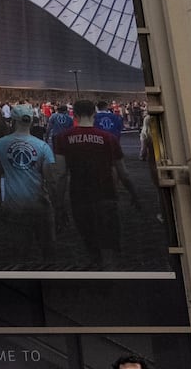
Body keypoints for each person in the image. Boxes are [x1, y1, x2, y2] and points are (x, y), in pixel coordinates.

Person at [52, 99, 140, 269]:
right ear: (94, 114)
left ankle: (97, 268)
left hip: (79, 197)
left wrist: (59, 205)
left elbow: (60, 175)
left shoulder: (63, 139)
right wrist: (133, 193)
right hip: (106, 194)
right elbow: (123, 173)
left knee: (89, 242)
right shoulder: (108, 138)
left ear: (75, 115)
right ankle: (111, 276)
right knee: (110, 242)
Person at [0, 104, 57, 263]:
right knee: (48, 251)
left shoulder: (0, 144)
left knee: (19, 253)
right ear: (32, 121)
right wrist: (56, 206)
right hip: (40, 204)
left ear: (12, 121)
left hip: (14, 205)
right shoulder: (42, 146)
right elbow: (51, 180)